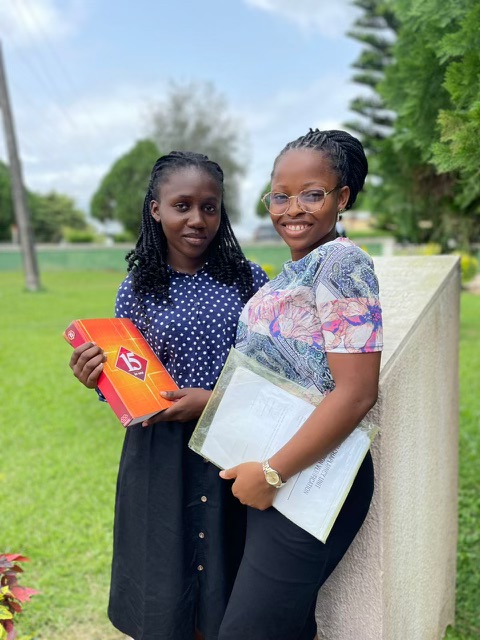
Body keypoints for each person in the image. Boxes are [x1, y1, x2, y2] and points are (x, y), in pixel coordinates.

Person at [69, 151, 268, 640]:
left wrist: (213, 401)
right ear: (156, 209)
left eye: (209, 207)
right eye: (182, 205)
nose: (197, 219)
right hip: (160, 453)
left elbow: (272, 372)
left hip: (232, 444)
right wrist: (96, 378)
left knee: (227, 577)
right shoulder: (136, 289)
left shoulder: (250, 281)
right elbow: (127, 378)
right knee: (164, 583)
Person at [217, 129, 383, 640]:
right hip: (278, 470)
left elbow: (357, 392)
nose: (292, 209)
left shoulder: (343, 264)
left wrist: (272, 473)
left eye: (312, 194)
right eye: (280, 196)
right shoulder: (295, 271)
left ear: (342, 197)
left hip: (308, 476)